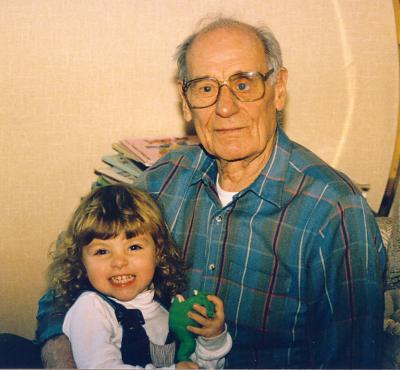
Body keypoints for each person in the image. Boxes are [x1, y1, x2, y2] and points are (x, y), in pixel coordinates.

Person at [35, 17, 386, 368]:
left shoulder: (333, 211)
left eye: (244, 84)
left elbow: (352, 359)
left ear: (278, 89)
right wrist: (62, 355)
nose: (225, 106)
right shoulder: (162, 181)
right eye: (205, 88)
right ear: (185, 102)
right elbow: (67, 286)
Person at [44, 184, 232, 369]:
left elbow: (195, 365)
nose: (119, 262)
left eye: (134, 247)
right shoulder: (91, 309)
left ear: (158, 252)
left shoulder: (165, 310)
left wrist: (212, 339)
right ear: (81, 261)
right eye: (102, 251)